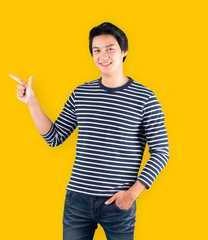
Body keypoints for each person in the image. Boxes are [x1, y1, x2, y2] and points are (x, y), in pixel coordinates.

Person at [9, 22, 169, 240]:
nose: (103, 55)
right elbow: (55, 137)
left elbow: (161, 152)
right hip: (77, 201)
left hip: (118, 204)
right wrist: (32, 103)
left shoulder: (145, 98)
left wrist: (132, 194)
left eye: (110, 48)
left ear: (124, 51)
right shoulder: (81, 93)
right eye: (97, 50)